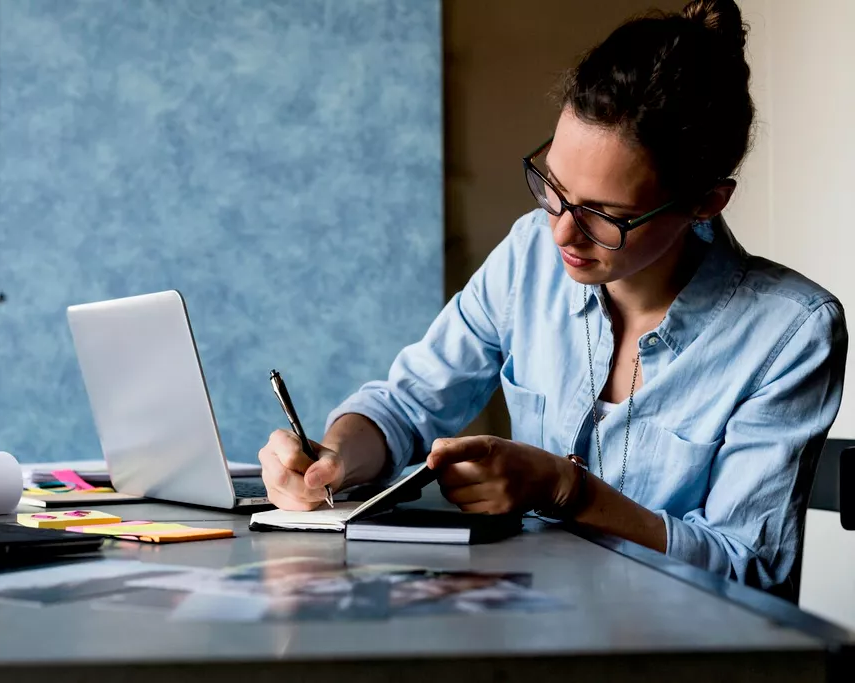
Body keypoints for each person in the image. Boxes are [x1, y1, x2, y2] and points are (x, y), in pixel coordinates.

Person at [257, 0, 847, 598]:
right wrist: (333, 456)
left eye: (606, 215)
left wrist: (567, 491)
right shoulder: (528, 256)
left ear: (707, 201)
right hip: (525, 624)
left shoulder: (789, 333)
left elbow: (749, 570)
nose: (562, 232)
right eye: (555, 189)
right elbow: (407, 405)